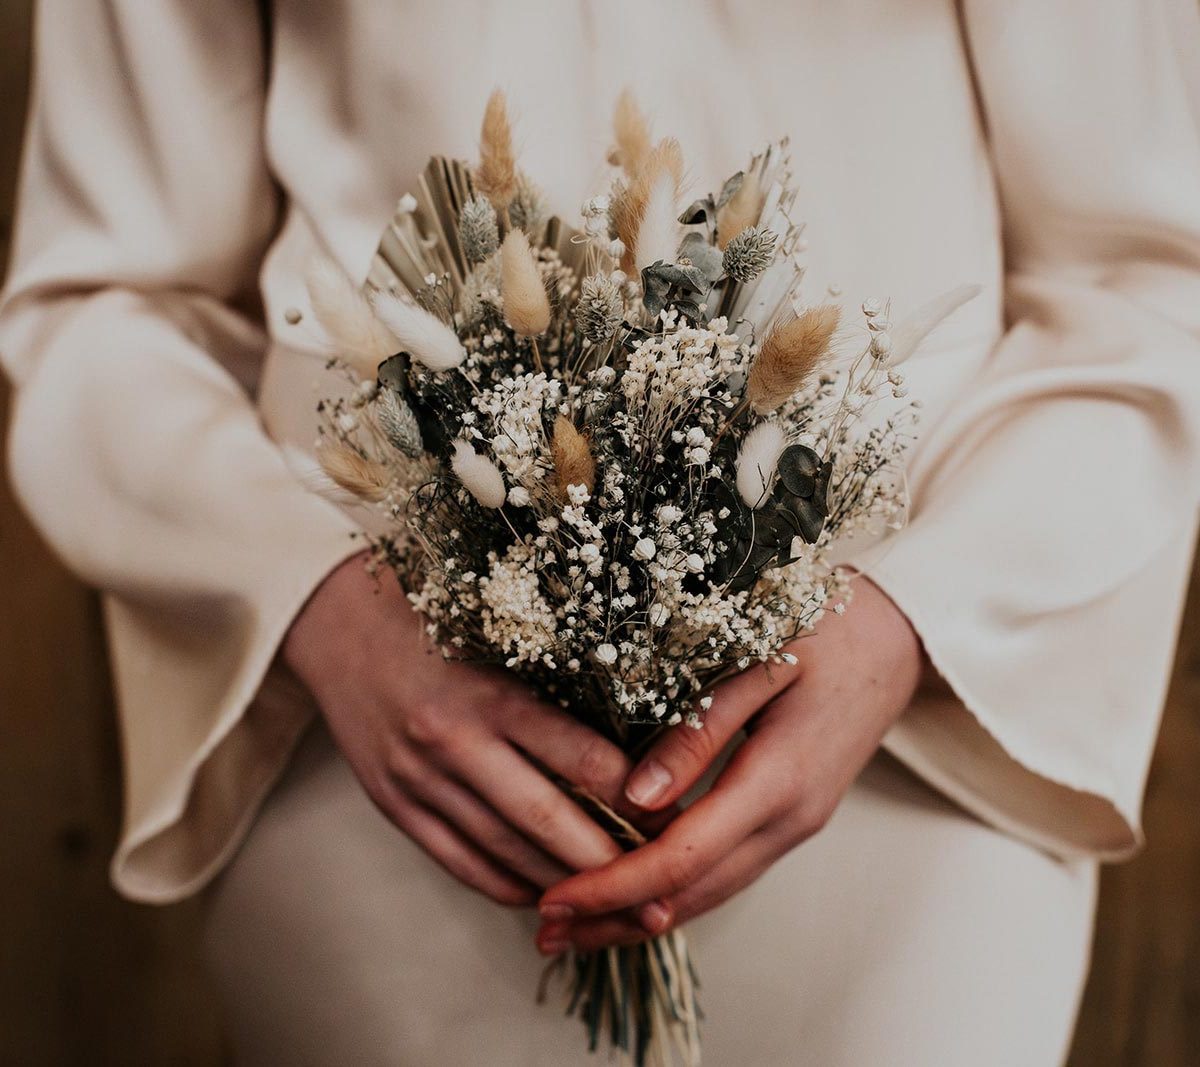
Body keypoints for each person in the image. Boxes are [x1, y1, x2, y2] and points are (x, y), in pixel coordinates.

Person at [3, 2, 1200, 1064]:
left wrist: (924, 617)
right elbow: (111, 294)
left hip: (917, 733)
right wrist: (308, 594)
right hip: (384, 748)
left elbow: (1146, 274)